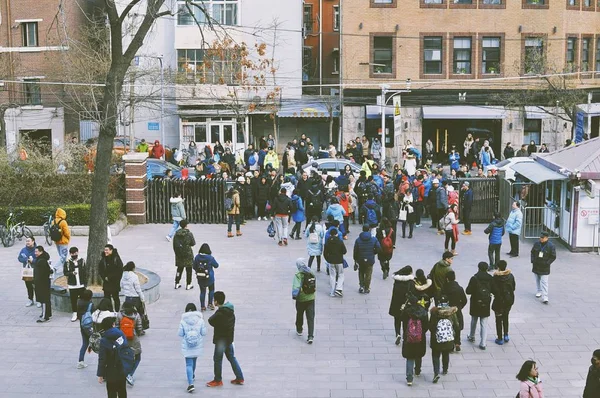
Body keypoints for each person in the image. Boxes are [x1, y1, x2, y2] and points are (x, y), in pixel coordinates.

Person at [206, 291, 244, 387]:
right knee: (231, 357)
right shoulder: (230, 311)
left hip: (221, 340)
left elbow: (210, 320)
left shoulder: (220, 313)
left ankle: (218, 380)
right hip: (229, 339)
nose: (213, 301)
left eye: (214, 300)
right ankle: (240, 377)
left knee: (217, 359)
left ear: (217, 302)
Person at [178, 303, 207, 393]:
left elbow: (180, 333)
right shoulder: (200, 320)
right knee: (194, 360)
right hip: (197, 344)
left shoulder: (183, 321)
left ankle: (190, 383)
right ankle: (192, 375)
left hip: (187, 345)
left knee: (188, 364)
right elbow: (204, 332)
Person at [429, 295, 458, 383]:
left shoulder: (434, 313)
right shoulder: (451, 313)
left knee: (435, 355)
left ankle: (436, 373)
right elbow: (456, 325)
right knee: (446, 354)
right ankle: (445, 369)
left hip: (436, 340)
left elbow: (431, 327)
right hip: (448, 339)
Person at [96, 317, 128, 398]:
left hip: (110, 370)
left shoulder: (104, 340)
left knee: (111, 393)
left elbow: (102, 359)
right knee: (122, 391)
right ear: (113, 325)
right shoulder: (121, 334)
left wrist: (100, 374)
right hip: (122, 367)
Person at [401, 294, 428, 386]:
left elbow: (403, 323)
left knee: (410, 357)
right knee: (418, 354)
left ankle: (409, 378)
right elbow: (426, 325)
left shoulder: (406, 312)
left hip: (409, 337)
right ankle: (417, 370)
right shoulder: (423, 311)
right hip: (420, 337)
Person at [465, 262, 493, 350]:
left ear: (478, 268)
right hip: (486, 302)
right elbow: (493, 289)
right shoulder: (490, 278)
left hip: (475, 301)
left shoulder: (474, 278)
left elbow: (468, 291)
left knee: (474, 319)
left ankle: (472, 336)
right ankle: (483, 343)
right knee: (484, 322)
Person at [116, 301, 143, 386]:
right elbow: (139, 327)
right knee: (137, 357)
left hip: (122, 338)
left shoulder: (120, 314)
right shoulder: (136, 314)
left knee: (122, 357)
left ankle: (123, 373)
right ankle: (129, 374)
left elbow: (117, 326)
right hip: (133, 338)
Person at [490, 260, 516, 346]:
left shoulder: (495, 278)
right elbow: (513, 287)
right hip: (508, 300)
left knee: (498, 319)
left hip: (499, 301)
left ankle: (499, 338)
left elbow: (493, 289)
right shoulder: (510, 276)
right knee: (506, 317)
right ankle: (506, 335)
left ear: (498, 267)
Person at [441, 271, 467, 352]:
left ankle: (451, 344)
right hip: (457, 309)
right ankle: (457, 343)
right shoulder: (459, 288)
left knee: (449, 327)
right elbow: (464, 300)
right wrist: (460, 307)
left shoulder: (444, 288)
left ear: (447, 278)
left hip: (447, 310)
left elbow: (441, 299)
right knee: (457, 326)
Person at [292, 258, 316, 343]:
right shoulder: (311, 272)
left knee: (299, 314)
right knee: (311, 317)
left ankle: (299, 329)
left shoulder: (298, 274)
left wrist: (294, 296)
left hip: (301, 299)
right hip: (311, 298)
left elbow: (296, 286)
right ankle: (310, 336)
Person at [389, 266, 414, 345]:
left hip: (396, 304)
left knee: (397, 320)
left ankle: (397, 334)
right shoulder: (410, 282)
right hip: (406, 305)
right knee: (405, 321)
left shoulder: (397, 281)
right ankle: (404, 336)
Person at [353, 224, 381, 294]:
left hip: (361, 259)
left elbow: (355, 251)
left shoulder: (358, 239)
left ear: (362, 229)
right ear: (369, 229)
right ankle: (367, 287)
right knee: (368, 274)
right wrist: (373, 252)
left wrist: (355, 259)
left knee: (361, 272)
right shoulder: (373, 239)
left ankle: (361, 286)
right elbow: (379, 248)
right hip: (370, 259)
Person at [531, 231, 556, 304]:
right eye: (540, 237)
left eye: (542, 238)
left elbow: (553, 256)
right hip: (536, 265)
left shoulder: (551, 246)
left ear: (546, 238)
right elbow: (532, 252)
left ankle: (545, 297)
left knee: (544, 282)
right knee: (537, 279)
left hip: (545, 266)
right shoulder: (536, 244)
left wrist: (547, 263)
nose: (541, 239)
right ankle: (539, 291)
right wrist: (533, 260)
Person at [193, 243, 219, 311]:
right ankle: (210, 304)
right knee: (211, 290)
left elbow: (194, 266)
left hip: (200, 277)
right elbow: (216, 265)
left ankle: (202, 306)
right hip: (209, 278)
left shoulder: (197, 257)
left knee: (202, 292)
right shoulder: (210, 258)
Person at [64, 247, 87, 322]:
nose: (74, 254)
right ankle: (74, 313)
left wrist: (85, 283)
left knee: (83, 299)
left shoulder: (82, 260)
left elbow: (85, 272)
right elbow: (65, 272)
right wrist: (71, 273)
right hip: (72, 285)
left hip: (81, 284)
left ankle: (82, 313)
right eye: (72, 253)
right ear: (70, 254)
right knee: (73, 300)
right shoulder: (67, 262)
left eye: (75, 253)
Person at [99, 244, 124, 312]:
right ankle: (109, 311)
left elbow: (119, 270)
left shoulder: (116, 259)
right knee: (107, 298)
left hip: (115, 282)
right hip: (106, 282)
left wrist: (110, 277)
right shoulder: (103, 259)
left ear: (111, 250)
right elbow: (100, 270)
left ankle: (117, 311)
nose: (105, 251)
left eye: (107, 250)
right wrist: (104, 277)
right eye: (105, 250)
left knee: (116, 298)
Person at [173, 219, 196, 290]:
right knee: (189, 269)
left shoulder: (176, 234)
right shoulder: (189, 234)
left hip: (179, 254)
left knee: (179, 269)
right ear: (186, 225)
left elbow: (174, 245)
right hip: (188, 254)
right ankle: (188, 284)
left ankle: (177, 282)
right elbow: (193, 243)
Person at [323, 228, 346, 297]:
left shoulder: (327, 242)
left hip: (331, 261)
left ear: (330, 234)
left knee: (332, 276)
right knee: (341, 275)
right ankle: (338, 289)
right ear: (336, 234)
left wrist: (328, 259)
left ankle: (332, 292)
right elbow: (344, 251)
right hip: (339, 260)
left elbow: (325, 253)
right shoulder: (340, 241)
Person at [33, 245, 53, 323]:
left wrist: (36, 281)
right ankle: (47, 314)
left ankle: (45, 316)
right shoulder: (42, 259)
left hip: (42, 283)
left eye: (36, 251)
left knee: (44, 300)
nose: (35, 253)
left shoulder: (41, 261)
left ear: (41, 252)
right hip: (43, 282)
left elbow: (42, 273)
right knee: (45, 299)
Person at [18, 237, 38, 307]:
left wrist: (33, 261)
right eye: (26, 241)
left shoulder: (37, 249)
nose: (27, 243)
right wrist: (25, 260)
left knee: (37, 286)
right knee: (28, 286)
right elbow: (19, 258)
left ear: (33, 241)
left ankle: (38, 300)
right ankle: (30, 299)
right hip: (27, 271)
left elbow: (42, 258)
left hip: (36, 270)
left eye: (29, 241)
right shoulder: (23, 250)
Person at [76, 289, 94, 369]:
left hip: (82, 325)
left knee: (84, 343)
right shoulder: (90, 304)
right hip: (90, 326)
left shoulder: (79, 302)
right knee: (97, 341)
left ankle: (80, 361)